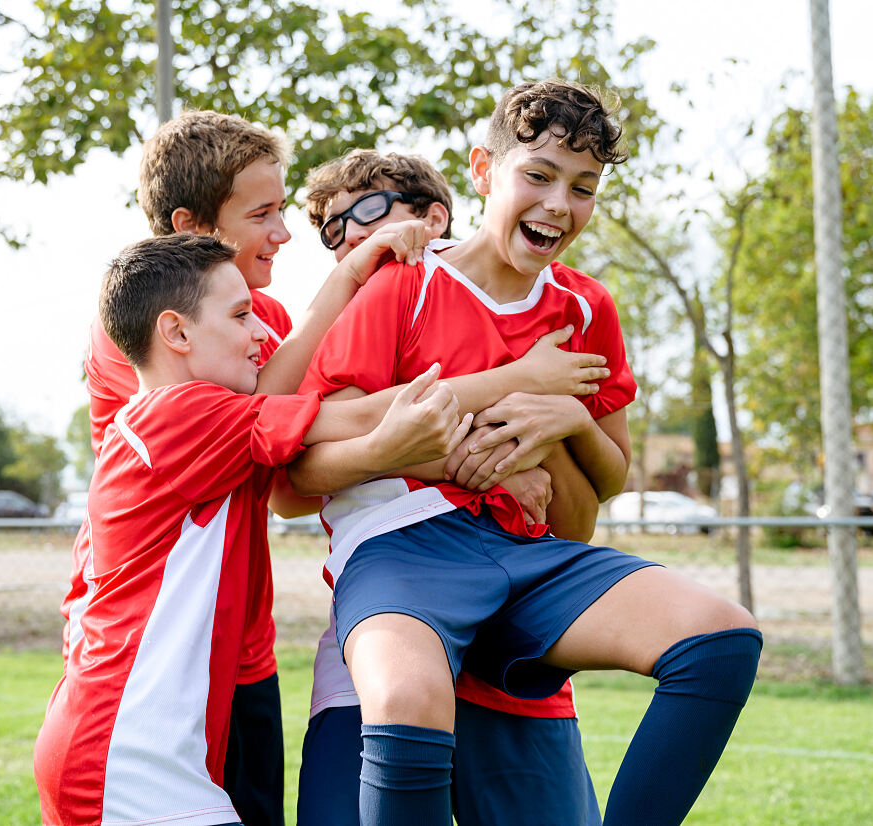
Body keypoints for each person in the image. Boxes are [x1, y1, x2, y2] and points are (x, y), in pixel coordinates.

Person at [288, 80, 762, 826]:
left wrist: (564, 417)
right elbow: (314, 436)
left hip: (529, 552)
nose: (557, 204)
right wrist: (464, 427)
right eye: (537, 175)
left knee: (721, 637)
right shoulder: (405, 286)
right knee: (407, 697)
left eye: (583, 188)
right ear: (483, 171)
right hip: (404, 552)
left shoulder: (584, 307)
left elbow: (607, 478)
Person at [34, 234, 477, 826]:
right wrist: (527, 381)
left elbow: (278, 386)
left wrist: (345, 275)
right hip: (123, 760)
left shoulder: (185, 422)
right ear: (178, 333)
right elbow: (361, 417)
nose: (260, 332)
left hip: (127, 749)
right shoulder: (179, 416)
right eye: (240, 316)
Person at [72, 111, 433, 826]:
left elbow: (295, 468)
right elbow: (274, 433)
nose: (285, 233)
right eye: (263, 213)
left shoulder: (256, 313)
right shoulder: (143, 331)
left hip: (242, 653)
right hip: (160, 656)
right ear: (192, 226)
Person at [295, 149, 605, 825]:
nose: (353, 233)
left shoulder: (548, 315)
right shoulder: (343, 331)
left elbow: (573, 520)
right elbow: (294, 476)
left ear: (436, 219)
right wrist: (469, 452)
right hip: (380, 643)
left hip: (508, 654)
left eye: (372, 211)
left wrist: (554, 425)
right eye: (334, 227)